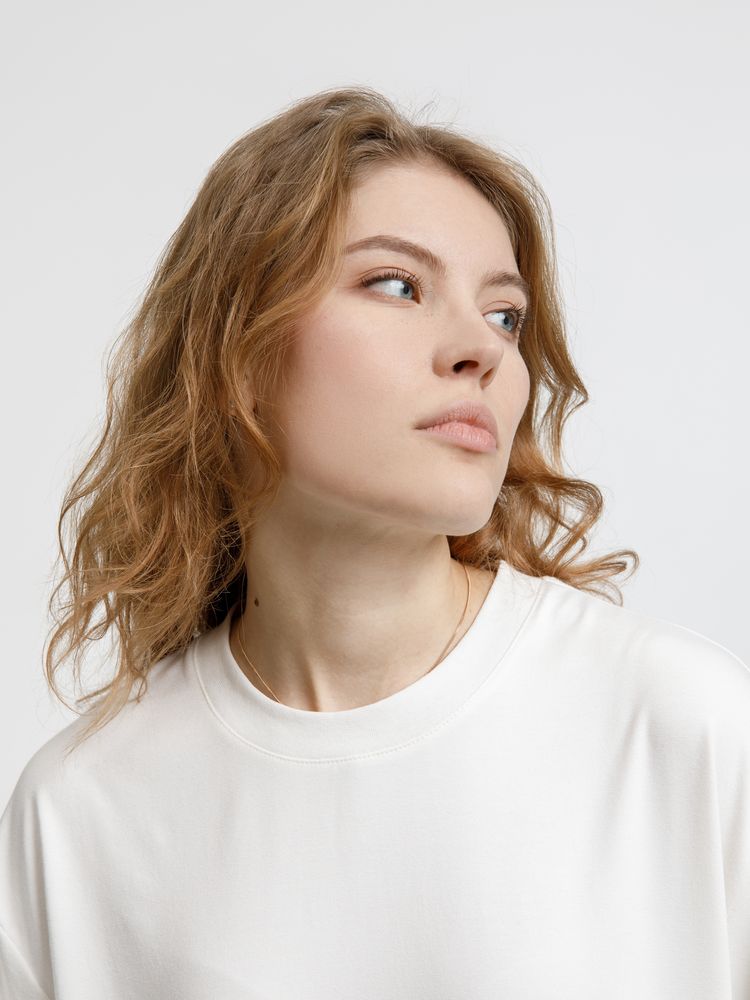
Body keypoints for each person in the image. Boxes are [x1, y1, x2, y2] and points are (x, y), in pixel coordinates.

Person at [1, 86, 748, 999]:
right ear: (235, 349)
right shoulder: (79, 814)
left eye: (506, 315)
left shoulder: (680, 725)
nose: (482, 349)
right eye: (397, 285)